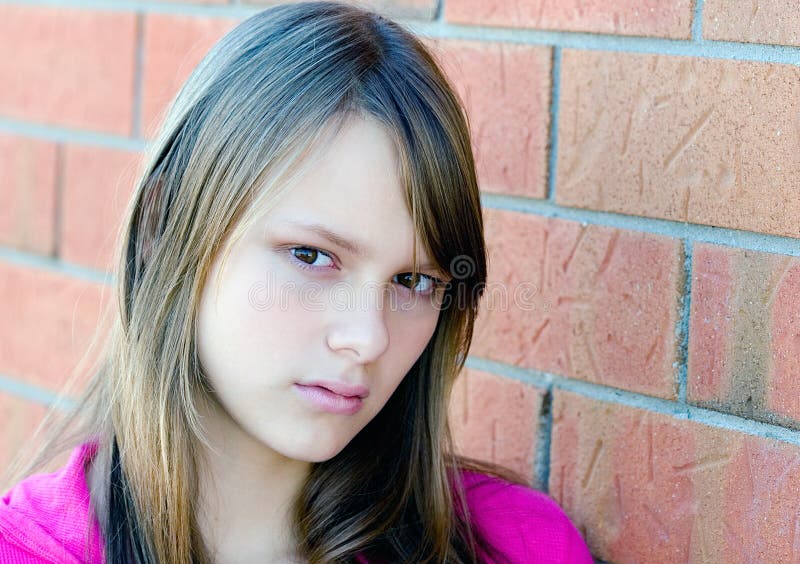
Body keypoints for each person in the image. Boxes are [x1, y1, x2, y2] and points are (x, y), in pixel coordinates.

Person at [0, 2, 593, 562]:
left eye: (412, 280)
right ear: (163, 228)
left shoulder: (516, 545)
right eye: (311, 256)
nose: (368, 338)